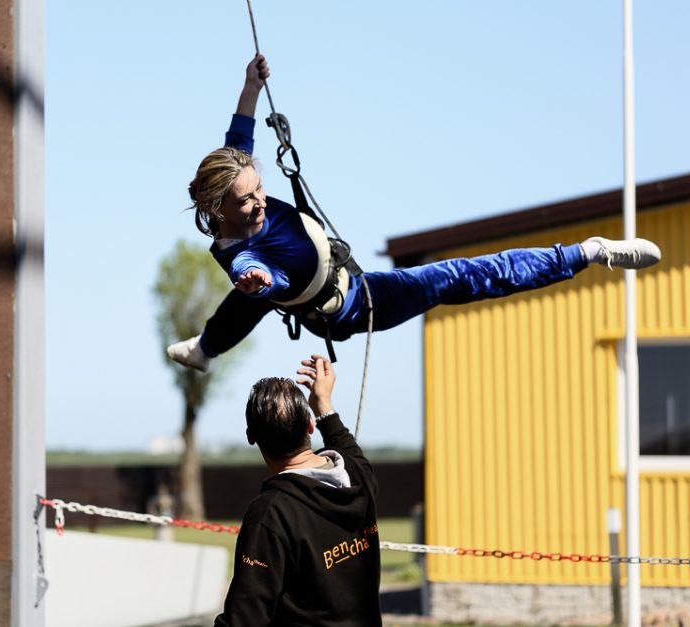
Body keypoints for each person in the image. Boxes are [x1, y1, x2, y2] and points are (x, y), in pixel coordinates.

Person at [167, 54, 663, 372]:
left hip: (343, 274)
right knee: (453, 278)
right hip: (352, 306)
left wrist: (250, 85)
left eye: (259, 191)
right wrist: (257, 283)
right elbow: (259, 281)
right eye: (246, 201)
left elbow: (240, 134)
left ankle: (205, 349)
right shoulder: (240, 258)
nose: (258, 203)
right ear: (218, 208)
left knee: (239, 310)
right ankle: (584, 254)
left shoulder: (235, 174)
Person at [215, 355, 381, 626]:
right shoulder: (356, 474)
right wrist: (323, 404)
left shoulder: (270, 514)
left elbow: (244, 618)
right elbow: (347, 446)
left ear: (251, 436)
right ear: (309, 425)